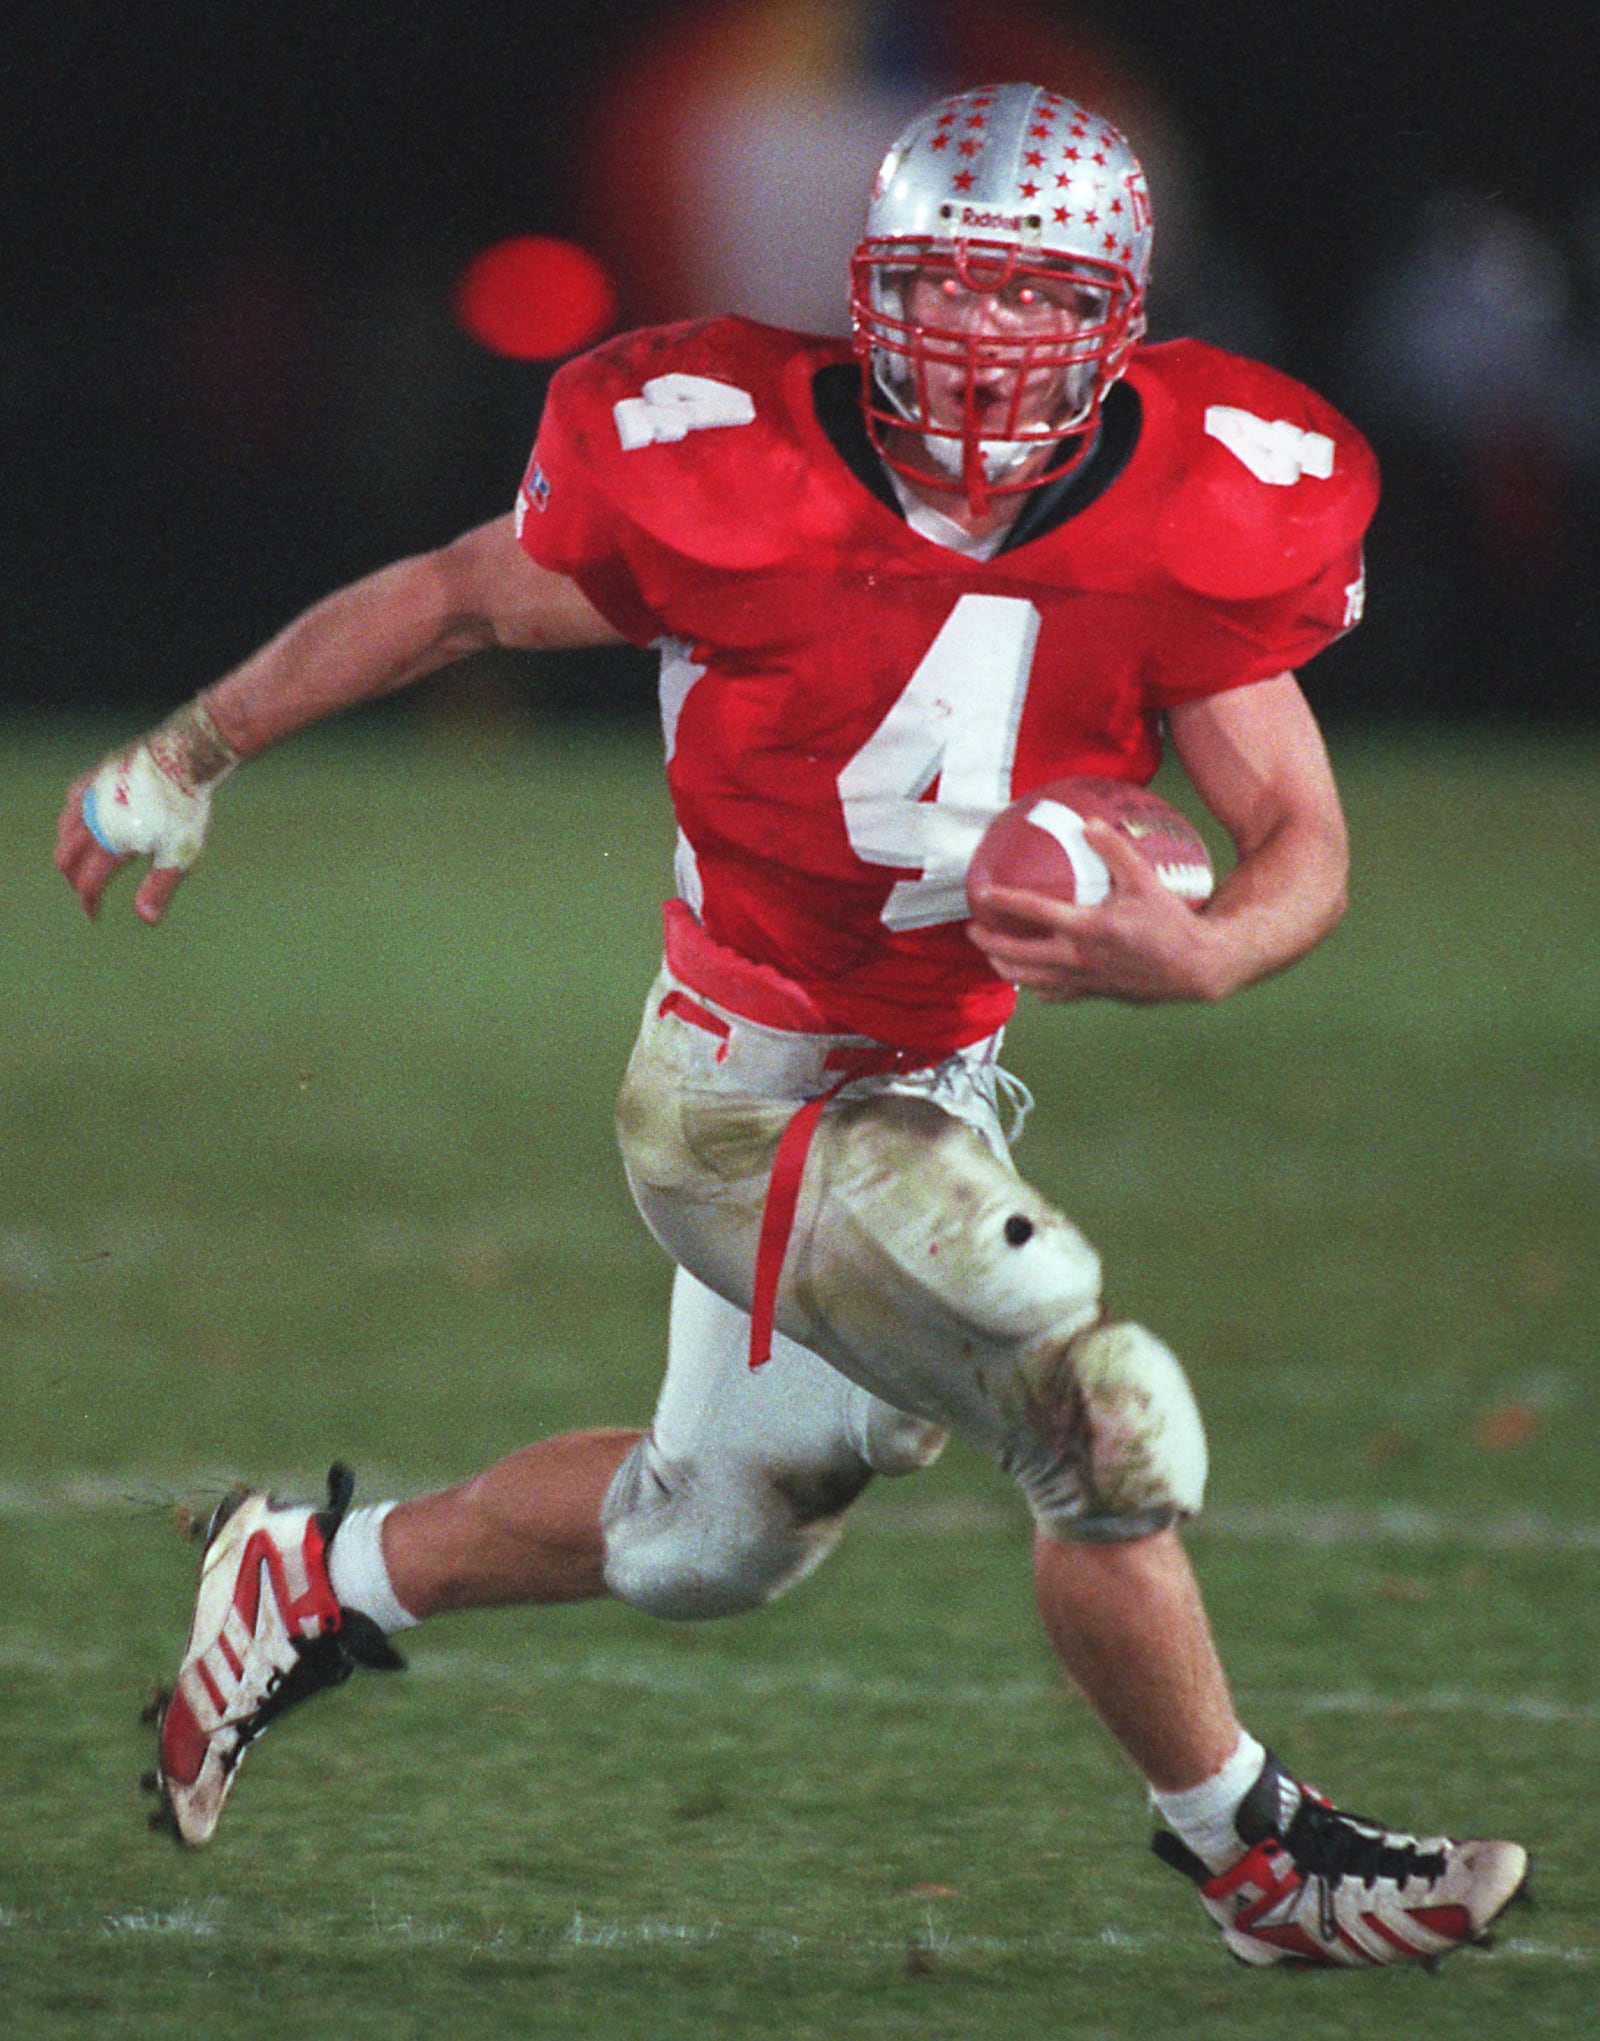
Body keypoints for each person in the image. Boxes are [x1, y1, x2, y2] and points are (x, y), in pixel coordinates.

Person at [57, 83, 1526, 1969]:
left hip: (933, 1079)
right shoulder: (722, 456)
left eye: (1035, 293)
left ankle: (306, 1575)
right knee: (1088, 1401)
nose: (986, 336)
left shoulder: (1204, 505)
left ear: (1123, 314)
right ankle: (1259, 1859)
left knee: (705, 1538)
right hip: (737, 1092)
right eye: (945, 286)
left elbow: (1300, 834)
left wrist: (1216, 953)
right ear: (864, 291)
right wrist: (189, 748)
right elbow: (450, 603)